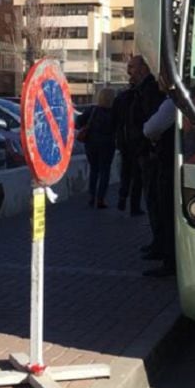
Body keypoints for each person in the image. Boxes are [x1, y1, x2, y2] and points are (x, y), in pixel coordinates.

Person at [126, 57, 166, 254]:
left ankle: (161, 244)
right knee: (151, 198)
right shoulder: (139, 91)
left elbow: (151, 123)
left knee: (155, 199)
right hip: (143, 151)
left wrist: (148, 146)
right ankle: (158, 242)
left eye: (132, 67)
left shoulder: (150, 91)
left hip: (149, 153)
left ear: (143, 69)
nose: (128, 72)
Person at [142, 81, 178, 278]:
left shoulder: (171, 103)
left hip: (166, 163)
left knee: (165, 212)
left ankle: (169, 262)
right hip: (176, 162)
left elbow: (149, 129)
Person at [76, 88, 117, 208]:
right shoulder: (114, 112)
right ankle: (101, 199)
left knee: (94, 170)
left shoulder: (92, 109)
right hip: (108, 145)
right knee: (105, 171)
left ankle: (91, 196)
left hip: (91, 144)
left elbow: (78, 121)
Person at [111, 74, 140, 214]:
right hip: (137, 140)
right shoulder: (139, 97)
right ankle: (134, 206)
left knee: (125, 171)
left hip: (123, 140)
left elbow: (114, 119)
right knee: (137, 175)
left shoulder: (120, 98)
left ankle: (122, 199)